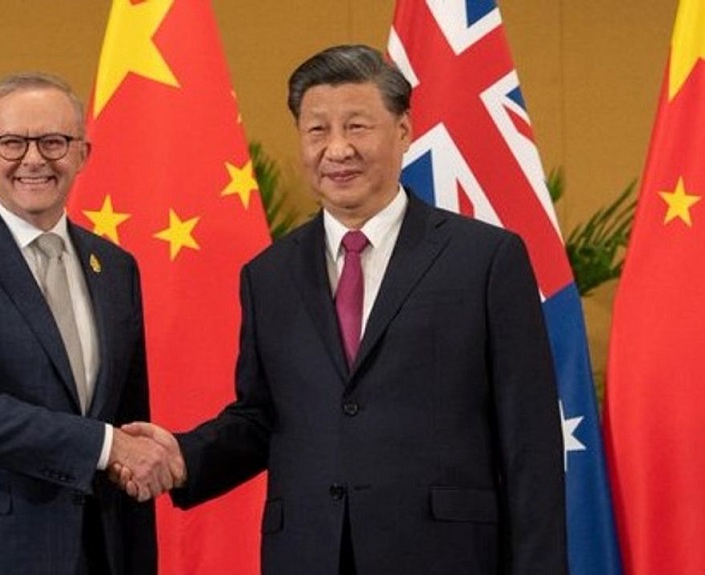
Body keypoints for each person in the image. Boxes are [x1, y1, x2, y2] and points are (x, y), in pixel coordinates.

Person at [119, 45, 568, 574]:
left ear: (403, 130)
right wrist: (183, 457)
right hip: (309, 553)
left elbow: (529, 442)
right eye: (318, 130)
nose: (337, 149)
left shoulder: (486, 259)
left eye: (357, 127)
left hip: (444, 554)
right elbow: (263, 418)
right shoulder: (269, 275)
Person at [0, 73, 178, 575]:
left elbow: (126, 419)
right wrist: (105, 445)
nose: (33, 159)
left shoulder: (115, 267)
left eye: (53, 142)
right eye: (12, 143)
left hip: (92, 552)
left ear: (82, 153)